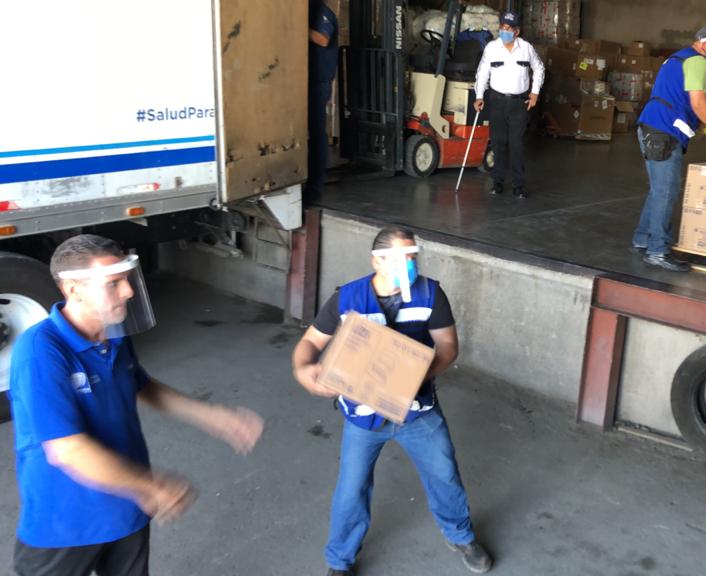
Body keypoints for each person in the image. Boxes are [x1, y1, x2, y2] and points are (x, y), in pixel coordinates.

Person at [9, 234, 264, 576]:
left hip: (127, 503)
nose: (129, 291)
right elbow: (67, 449)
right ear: (73, 289)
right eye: (114, 283)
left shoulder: (113, 333)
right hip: (65, 520)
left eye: (127, 280)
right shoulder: (40, 351)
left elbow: (140, 384)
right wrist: (152, 485)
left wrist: (212, 416)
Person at [292, 227, 492, 576]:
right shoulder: (347, 298)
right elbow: (310, 342)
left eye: (413, 257)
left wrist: (414, 377)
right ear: (377, 261)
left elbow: (448, 346)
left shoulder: (431, 294)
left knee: (445, 476)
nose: (409, 265)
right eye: (401, 258)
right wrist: (302, 368)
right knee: (351, 490)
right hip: (364, 416)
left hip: (417, 413)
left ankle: (460, 536)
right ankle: (340, 560)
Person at [633, 25, 706, 272]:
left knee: (659, 190)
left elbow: (678, 97)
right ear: (704, 44)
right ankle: (657, 251)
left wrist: (704, 124)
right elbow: (698, 102)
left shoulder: (678, 57)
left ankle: (643, 239)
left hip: (653, 127)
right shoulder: (697, 62)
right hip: (663, 132)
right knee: (666, 192)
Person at [473, 11, 545, 199]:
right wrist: (479, 96)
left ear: (516, 31)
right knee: (498, 143)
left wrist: (535, 92)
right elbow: (482, 73)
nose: (504, 31)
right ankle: (497, 183)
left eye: (508, 28)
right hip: (497, 102)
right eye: (502, 27)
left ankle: (518, 186)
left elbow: (539, 68)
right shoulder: (492, 48)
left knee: (517, 144)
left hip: (519, 104)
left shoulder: (526, 48)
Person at [308, 0, 339, 200]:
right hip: (306, 80)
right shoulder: (310, 12)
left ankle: (315, 185)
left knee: (317, 133)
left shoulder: (322, 12)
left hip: (319, 82)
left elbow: (323, 39)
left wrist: (295, 27)